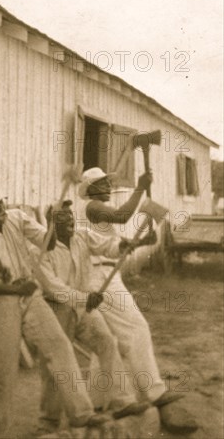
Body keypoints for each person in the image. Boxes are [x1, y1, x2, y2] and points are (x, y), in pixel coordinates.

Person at [0, 185, 111, 438]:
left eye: (2, 203)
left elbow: (50, 243)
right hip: (1, 301)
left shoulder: (16, 218)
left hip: (30, 294)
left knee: (59, 346)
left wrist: (52, 222)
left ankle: (81, 413)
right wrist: (14, 290)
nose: (2, 210)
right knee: (3, 372)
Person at [34, 200, 150, 434]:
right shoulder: (40, 249)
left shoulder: (82, 236)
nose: (70, 221)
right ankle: (48, 420)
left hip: (83, 307)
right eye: (62, 217)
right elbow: (52, 287)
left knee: (107, 342)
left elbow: (107, 246)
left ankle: (122, 401)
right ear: (50, 223)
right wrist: (83, 299)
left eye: (70, 216)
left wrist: (123, 245)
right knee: (56, 363)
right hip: (56, 308)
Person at [79, 167, 183, 409]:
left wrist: (143, 240)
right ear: (91, 190)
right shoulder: (93, 207)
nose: (108, 187)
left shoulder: (99, 213)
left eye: (108, 182)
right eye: (102, 183)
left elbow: (116, 243)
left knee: (108, 339)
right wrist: (140, 186)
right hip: (100, 276)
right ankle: (154, 393)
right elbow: (124, 215)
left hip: (104, 271)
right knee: (137, 328)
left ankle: (97, 401)